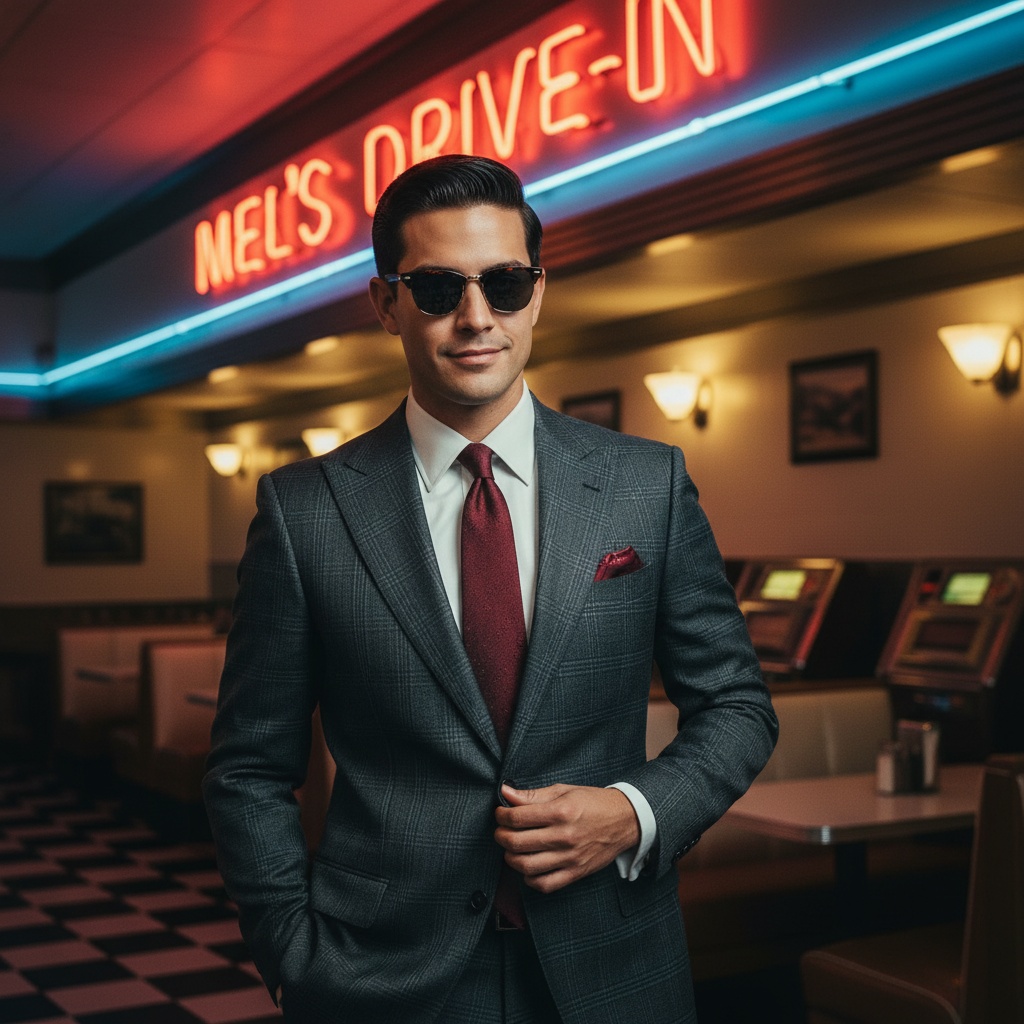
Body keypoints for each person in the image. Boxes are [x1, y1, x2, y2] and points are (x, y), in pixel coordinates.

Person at [203, 154, 778, 1024]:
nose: (477, 318)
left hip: (614, 969)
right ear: (386, 303)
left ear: (538, 293)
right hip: (382, 977)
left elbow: (738, 705)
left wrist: (634, 812)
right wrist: (293, 955)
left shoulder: (645, 485)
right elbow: (249, 767)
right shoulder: (304, 511)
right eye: (437, 289)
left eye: (505, 284)